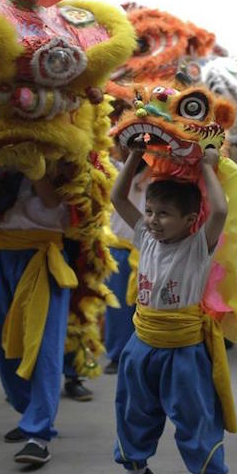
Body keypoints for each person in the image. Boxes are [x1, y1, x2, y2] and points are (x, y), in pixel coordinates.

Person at [106, 146, 234, 474]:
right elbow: (117, 196)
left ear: (191, 219)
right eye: (149, 212)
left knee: (194, 418)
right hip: (141, 345)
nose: (153, 220)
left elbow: (222, 211)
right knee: (132, 412)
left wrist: (209, 167)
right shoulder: (144, 237)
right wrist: (134, 157)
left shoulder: (198, 247)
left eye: (163, 214)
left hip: (184, 351)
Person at [0, 167, 76, 467]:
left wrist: (32, 165)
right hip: (0, 252)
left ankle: (39, 434)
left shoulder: (68, 156)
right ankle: (29, 411)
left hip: (41, 254)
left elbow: (55, 203)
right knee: (5, 340)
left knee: (43, 343)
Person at [103, 152, 148, 375]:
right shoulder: (114, 166)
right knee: (117, 308)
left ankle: (144, 356)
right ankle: (117, 354)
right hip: (119, 247)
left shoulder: (164, 169)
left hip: (151, 250)